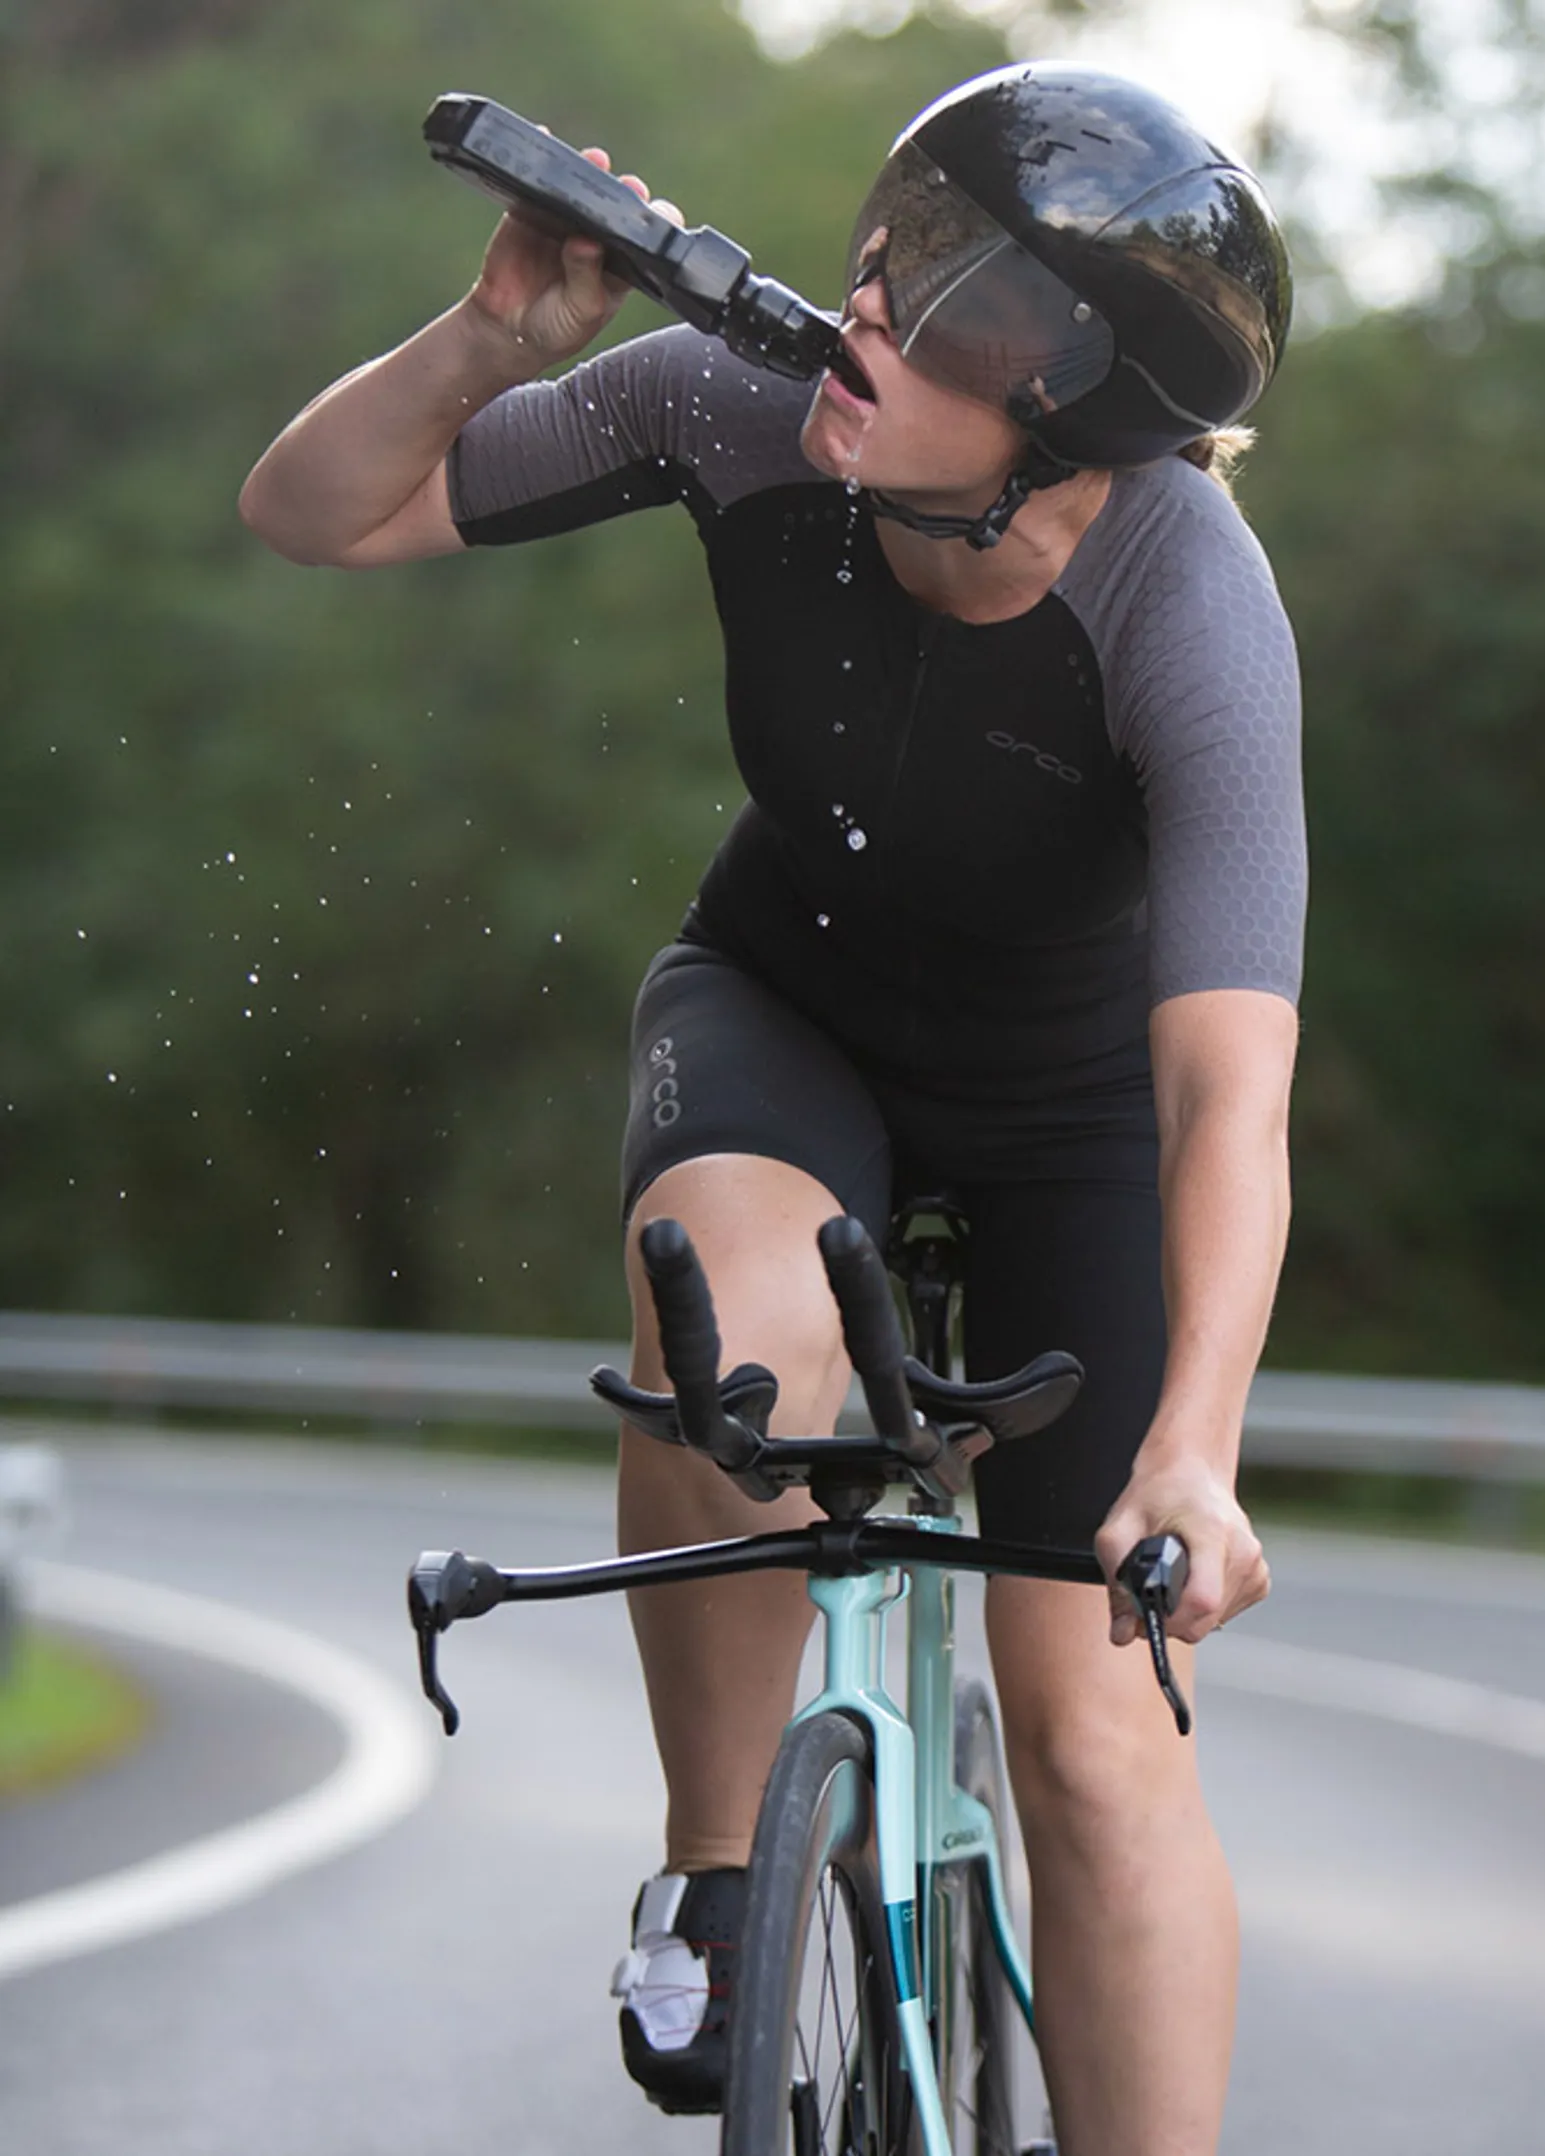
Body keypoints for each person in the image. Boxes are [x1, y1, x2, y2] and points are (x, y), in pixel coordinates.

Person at [241, 60, 1304, 2156]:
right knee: (725, 1339)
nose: (874, 307)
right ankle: (720, 1867)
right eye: (898, 250)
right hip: (786, 1003)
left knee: (1098, 1745)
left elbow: (1225, 1096)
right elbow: (314, 512)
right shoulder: (732, 401)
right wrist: (488, 338)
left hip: (1077, 1113)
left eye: (962, 307)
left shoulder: (1187, 604)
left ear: (1073, 418)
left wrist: (1194, 1449)